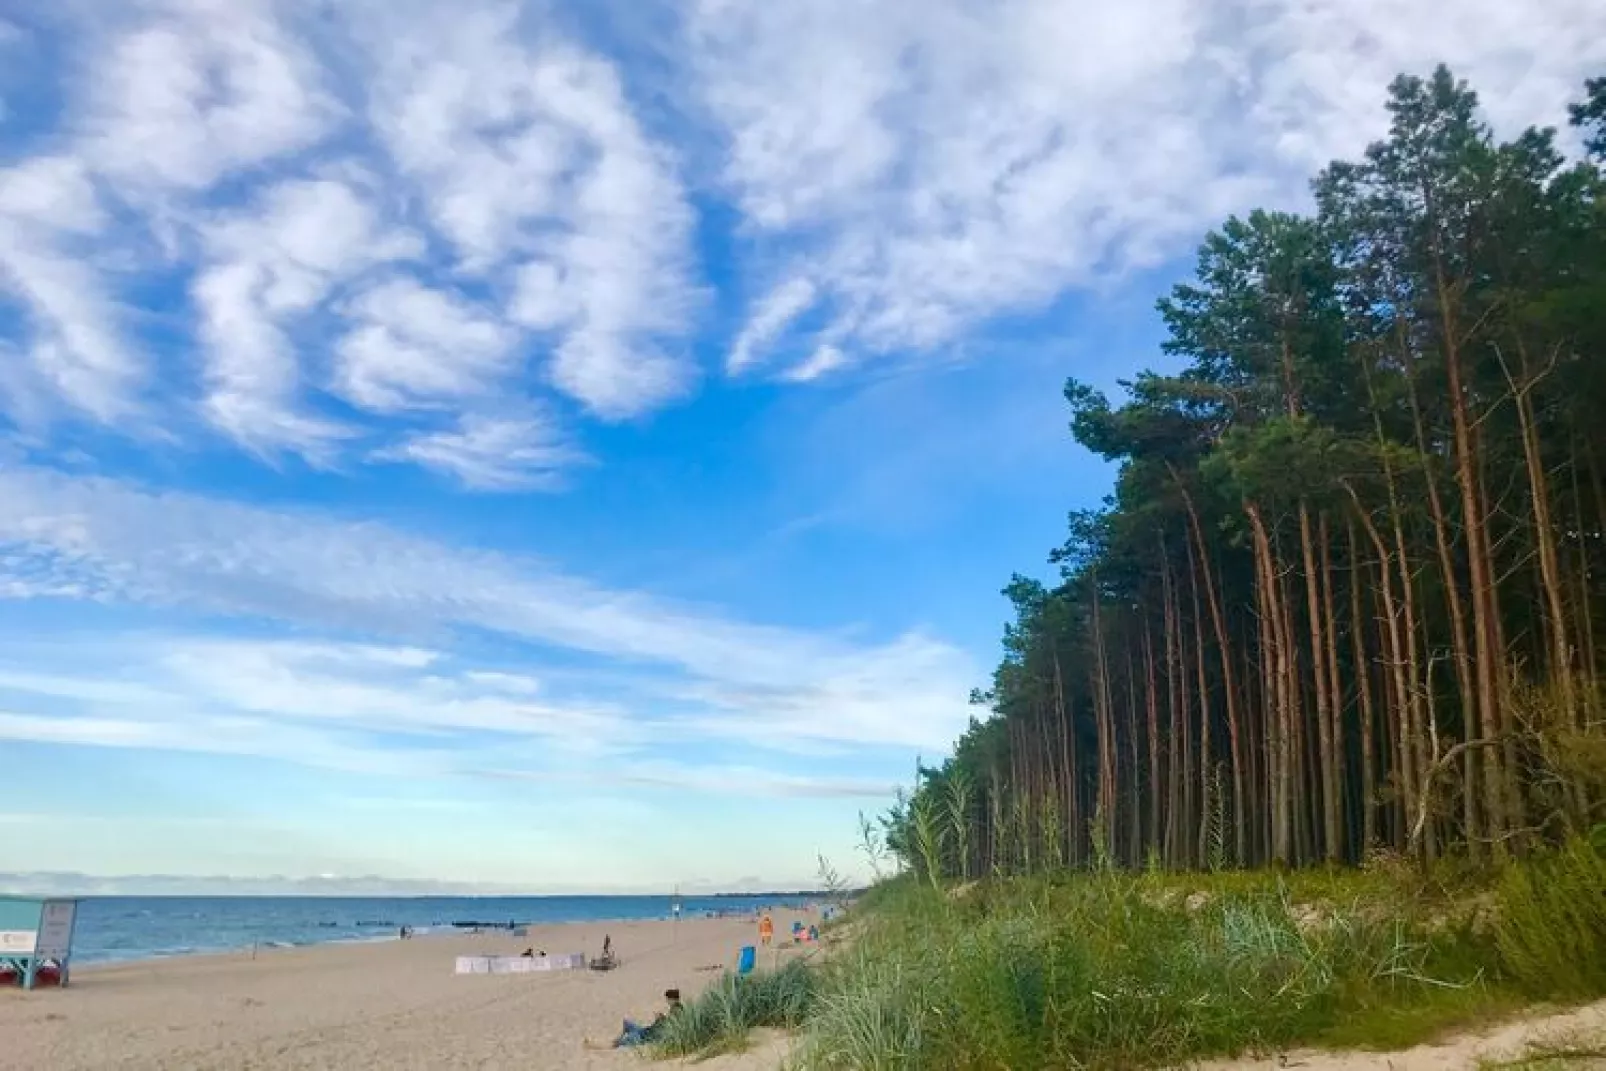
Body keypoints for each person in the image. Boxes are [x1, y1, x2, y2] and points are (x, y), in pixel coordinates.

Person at [613, 988, 682, 1048]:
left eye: (668, 999)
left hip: (646, 1036)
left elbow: (670, 1025)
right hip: (647, 1031)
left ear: (672, 999)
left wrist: (661, 1018)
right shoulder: (674, 1009)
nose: (667, 1001)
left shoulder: (677, 1010)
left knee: (624, 1041)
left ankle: (618, 1041)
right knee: (626, 1023)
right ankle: (619, 1038)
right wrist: (661, 1018)